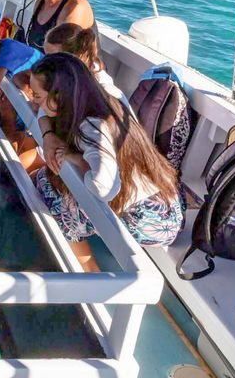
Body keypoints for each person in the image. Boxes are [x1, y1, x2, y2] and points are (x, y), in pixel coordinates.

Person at [29, 53, 184, 271]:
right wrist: (48, 134)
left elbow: (104, 189)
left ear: (59, 96)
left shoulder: (92, 126)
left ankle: (90, 273)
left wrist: (76, 158)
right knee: (46, 179)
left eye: (37, 96)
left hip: (154, 217)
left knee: (54, 198)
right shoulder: (100, 98)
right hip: (165, 197)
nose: (33, 101)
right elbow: (42, 115)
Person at [43, 23, 130, 109]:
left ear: (77, 57)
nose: (46, 64)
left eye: (54, 60)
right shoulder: (66, 77)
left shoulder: (103, 93)